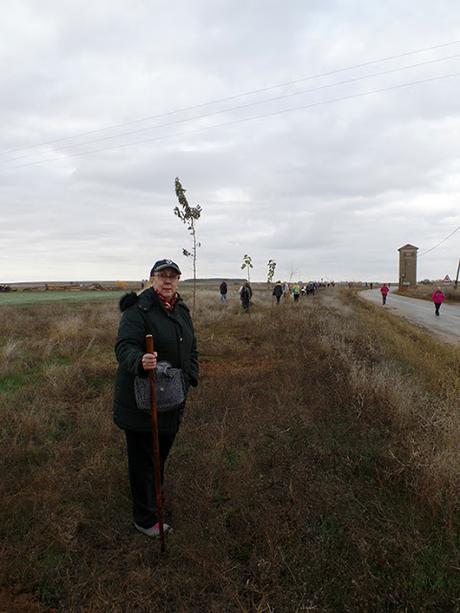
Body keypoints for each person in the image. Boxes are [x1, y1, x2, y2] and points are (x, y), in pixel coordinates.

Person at [113, 259, 199, 538]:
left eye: (173, 276)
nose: (167, 281)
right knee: (144, 461)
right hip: (142, 402)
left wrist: (190, 377)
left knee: (159, 456)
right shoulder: (138, 310)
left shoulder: (180, 309)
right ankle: (145, 518)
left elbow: (191, 345)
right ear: (151, 279)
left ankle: (154, 497)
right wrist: (140, 360)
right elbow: (124, 347)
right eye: (162, 276)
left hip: (172, 399)